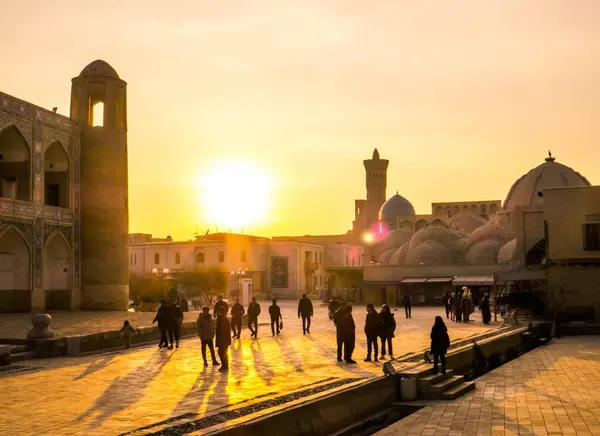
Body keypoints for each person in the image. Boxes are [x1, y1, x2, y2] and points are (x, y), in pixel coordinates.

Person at [215, 307, 231, 372]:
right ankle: (224, 365)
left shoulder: (224, 319)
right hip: (222, 339)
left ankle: (225, 366)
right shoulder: (221, 318)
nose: (218, 313)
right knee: (222, 352)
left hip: (224, 339)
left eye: (219, 312)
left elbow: (224, 331)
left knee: (222, 352)